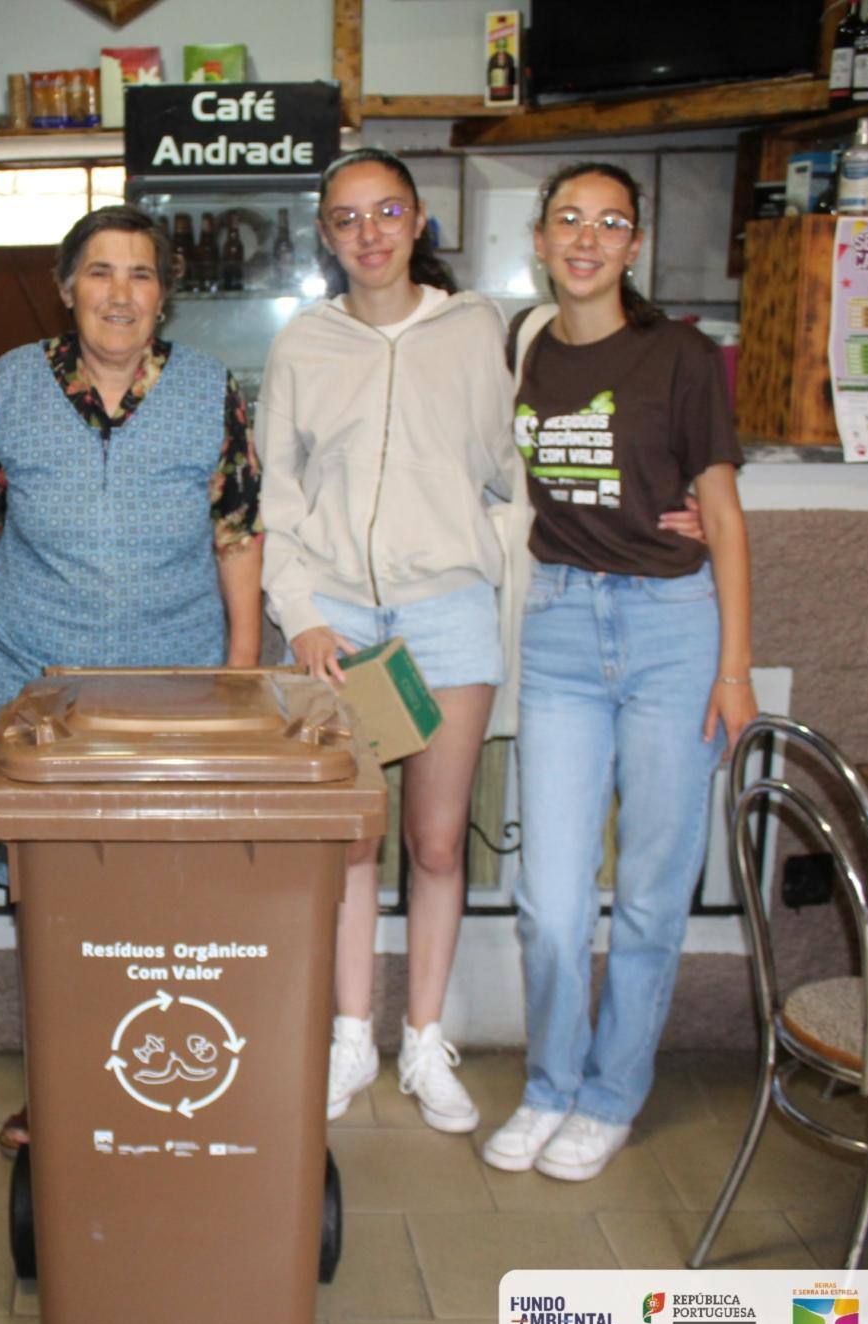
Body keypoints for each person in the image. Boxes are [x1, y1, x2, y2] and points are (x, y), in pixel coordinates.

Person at [0, 203, 264, 1153]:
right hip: (43, 688)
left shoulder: (208, 389)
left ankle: (160, 1078)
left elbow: (236, 531)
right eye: (101, 272)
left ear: (165, 297)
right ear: (69, 287)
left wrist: (241, 668)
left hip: (176, 686)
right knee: (51, 898)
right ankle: (57, 1084)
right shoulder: (11, 384)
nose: (121, 293)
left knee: (163, 896)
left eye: (142, 274)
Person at [482, 162, 755, 1181]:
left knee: (645, 887)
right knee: (549, 899)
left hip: (671, 632)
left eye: (608, 223)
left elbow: (722, 515)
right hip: (556, 626)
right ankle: (548, 1083)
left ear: (633, 244)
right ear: (540, 239)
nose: (585, 238)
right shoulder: (523, 347)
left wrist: (731, 671)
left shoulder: (679, 355)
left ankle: (607, 1096)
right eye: (567, 220)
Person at [259, 148, 520, 1132]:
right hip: (338, 622)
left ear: (417, 224)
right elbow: (276, 506)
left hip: (445, 609)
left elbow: (506, 466)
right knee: (353, 840)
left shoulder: (471, 329)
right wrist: (303, 615)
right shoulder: (302, 347)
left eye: (385, 212)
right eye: (344, 218)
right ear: (323, 238)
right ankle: (348, 1040)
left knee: (438, 839)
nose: (367, 233)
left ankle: (423, 1041)